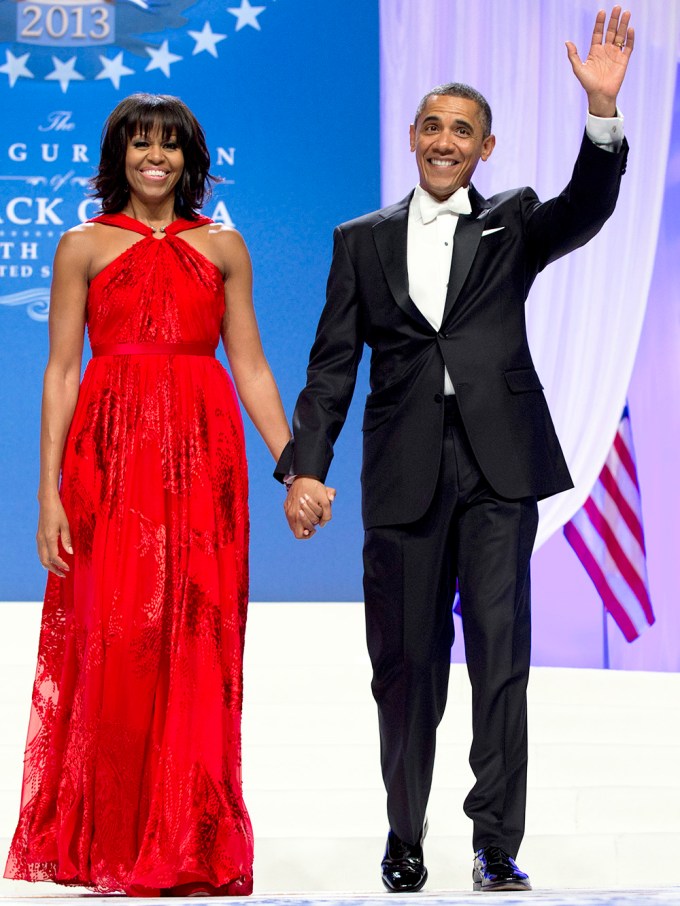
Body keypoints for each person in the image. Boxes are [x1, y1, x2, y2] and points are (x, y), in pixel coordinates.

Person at [277, 7, 633, 893]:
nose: (445, 141)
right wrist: (307, 466)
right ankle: (404, 834)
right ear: (412, 136)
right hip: (402, 473)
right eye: (432, 126)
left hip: (499, 468)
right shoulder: (359, 240)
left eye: (462, 130)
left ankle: (495, 842)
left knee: (502, 660)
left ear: (487, 147)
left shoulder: (513, 223)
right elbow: (331, 366)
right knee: (403, 667)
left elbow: (588, 206)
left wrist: (602, 113)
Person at [4, 93, 304, 897]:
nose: (155, 159)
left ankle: (188, 838)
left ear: (189, 160)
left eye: (170, 146)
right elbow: (62, 372)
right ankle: (107, 835)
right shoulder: (81, 246)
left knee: (199, 639)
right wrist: (47, 493)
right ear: (119, 157)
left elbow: (252, 368)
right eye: (140, 145)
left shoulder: (225, 246)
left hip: (206, 464)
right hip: (107, 461)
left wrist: (295, 465)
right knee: (116, 639)